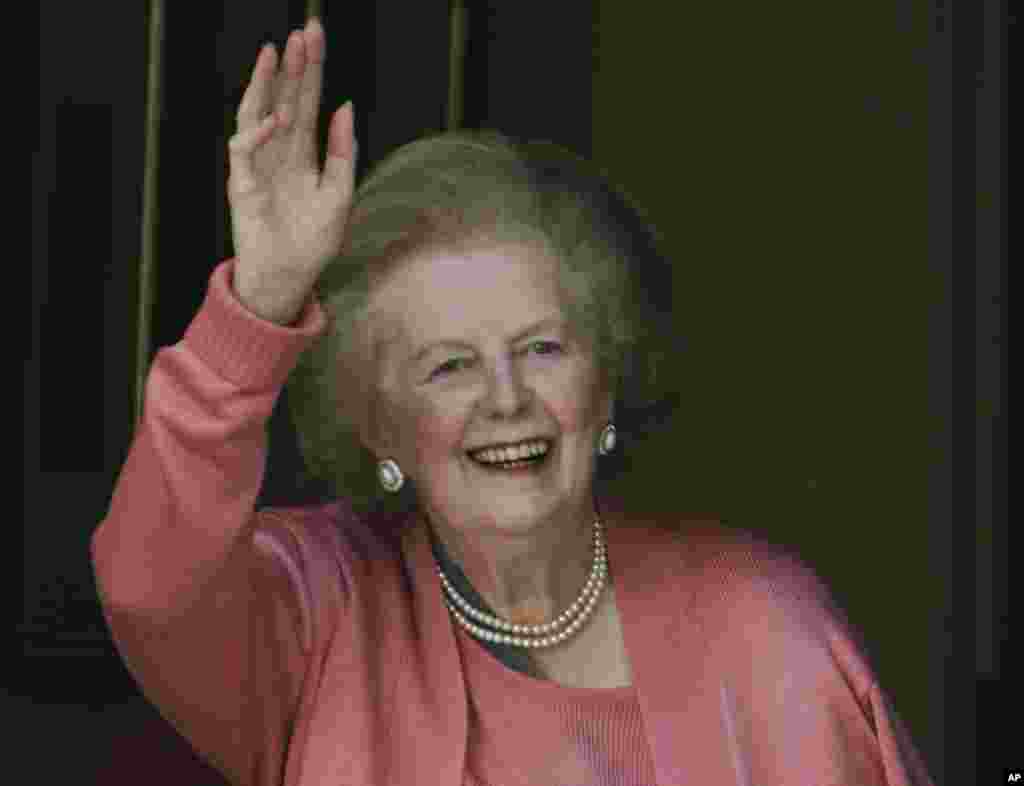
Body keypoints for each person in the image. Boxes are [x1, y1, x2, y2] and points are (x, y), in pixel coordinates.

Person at [90, 16, 937, 786]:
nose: (506, 398)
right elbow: (150, 582)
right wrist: (263, 302)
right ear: (376, 422)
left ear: (602, 382)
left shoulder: (768, 628)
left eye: (542, 348)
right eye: (447, 367)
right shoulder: (315, 614)